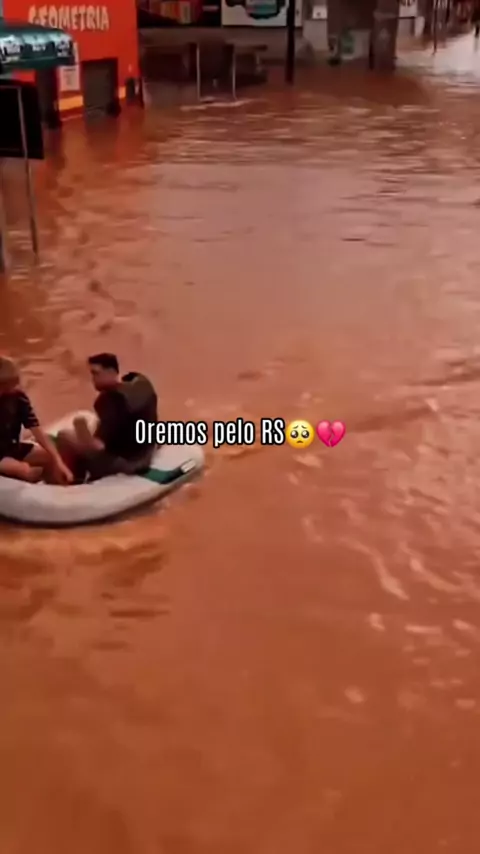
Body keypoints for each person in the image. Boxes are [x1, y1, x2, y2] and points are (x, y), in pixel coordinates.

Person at [56, 353, 158, 482]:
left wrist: (82, 431)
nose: (92, 379)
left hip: (127, 463)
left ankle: (73, 481)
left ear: (111, 372)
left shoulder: (109, 401)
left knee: (64, 436)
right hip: (146, 453)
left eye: (96, 373)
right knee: (95, 425)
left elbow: (97, 447)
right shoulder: (141, 382)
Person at [0, 356, 73, 484]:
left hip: (11, 447)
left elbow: (35, 428)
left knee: (48, 457)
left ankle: (58, 488)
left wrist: (58, 461)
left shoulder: (18, 397)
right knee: (23, 469)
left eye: (7, 387)